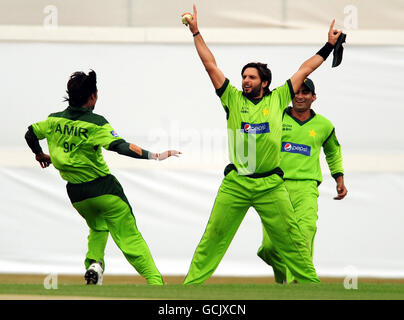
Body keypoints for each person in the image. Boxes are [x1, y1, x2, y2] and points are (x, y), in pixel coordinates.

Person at [182, 4, 344, 284]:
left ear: (264, 82)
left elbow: (305, 68)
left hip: (271, 185)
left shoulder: (279, 98)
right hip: (237, 183)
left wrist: (329, 45)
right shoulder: (231, 98)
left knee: (294, 241)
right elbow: (210, 65)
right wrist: (196, 31)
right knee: (213, 237)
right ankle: (189, 287)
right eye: (244, 76)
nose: (245, 80)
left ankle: (311, 287)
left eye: (251, 77)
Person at [24, 70, 181, 285]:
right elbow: (120, 146)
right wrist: (154, 155)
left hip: (78, 195)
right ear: (92, 97)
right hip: (104, 190)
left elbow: (30, 133)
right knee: (129, 237)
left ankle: (95, 265)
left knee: (98, 226)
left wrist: (40, 154)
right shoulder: (96, 123)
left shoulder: (53, 121)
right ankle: (156, 282)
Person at [257, 78, 347, 284]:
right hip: (274, 186)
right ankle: (284, 279)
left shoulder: (324, 125)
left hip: (306, 187)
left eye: (306, 92)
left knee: (305, 232)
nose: (300, 96)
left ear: (313, 97)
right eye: (297, 92)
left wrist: (339, 178)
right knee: (271, 247)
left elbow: (333, 152)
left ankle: (298, 283)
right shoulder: (275, 116)